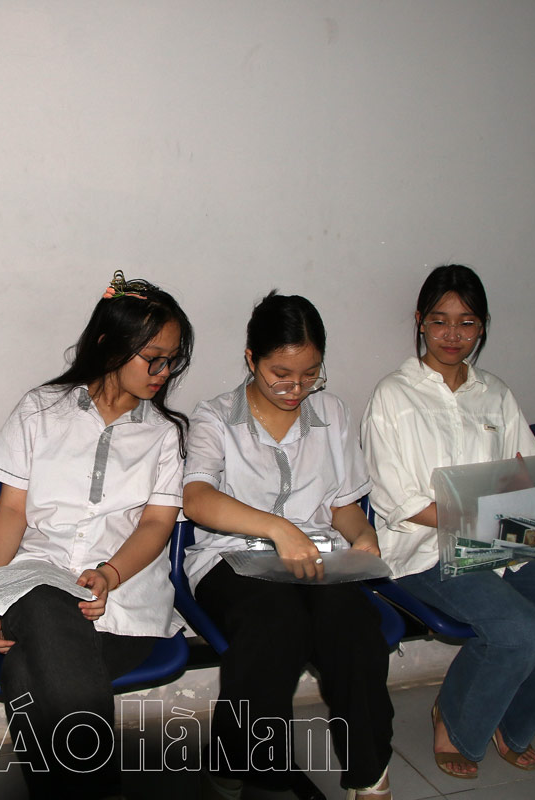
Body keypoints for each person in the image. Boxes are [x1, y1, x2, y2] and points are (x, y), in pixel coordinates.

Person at [361, 264, 535, 780]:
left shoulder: (495, 393)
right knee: (520, 632)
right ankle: (455, 719)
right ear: (420, 321)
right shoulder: (394, 395)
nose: (453, 335)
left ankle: (511, 723)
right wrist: (483, 514)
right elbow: (397, 500)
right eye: (440, 320)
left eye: (467, 322)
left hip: (505, 540)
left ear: (483, 325)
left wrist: (511, 509)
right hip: (426, 549)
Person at [0, 271, 194, 798]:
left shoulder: (164, 435)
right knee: (45, 601)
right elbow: (12, 511)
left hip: (124, 602)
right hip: (37, 585)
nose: (163, 372)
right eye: (153, 358)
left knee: (26, 671)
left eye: (172, 360)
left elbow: (157, 523)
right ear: (109, 345)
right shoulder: (40, 410)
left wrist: (111, 574)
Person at [183, 292, 394, 800]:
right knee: (275, 624)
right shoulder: (216, 417)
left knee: (353, 626)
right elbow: (197, 499)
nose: (295, 388)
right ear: (251, 359)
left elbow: (343, 505)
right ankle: (247, 766)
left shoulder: (332, 412)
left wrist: (363, 535)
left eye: (310, 374)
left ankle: (369, 773)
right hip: (232, 558)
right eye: (281, 373)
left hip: (317, 555)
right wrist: (277, 528)